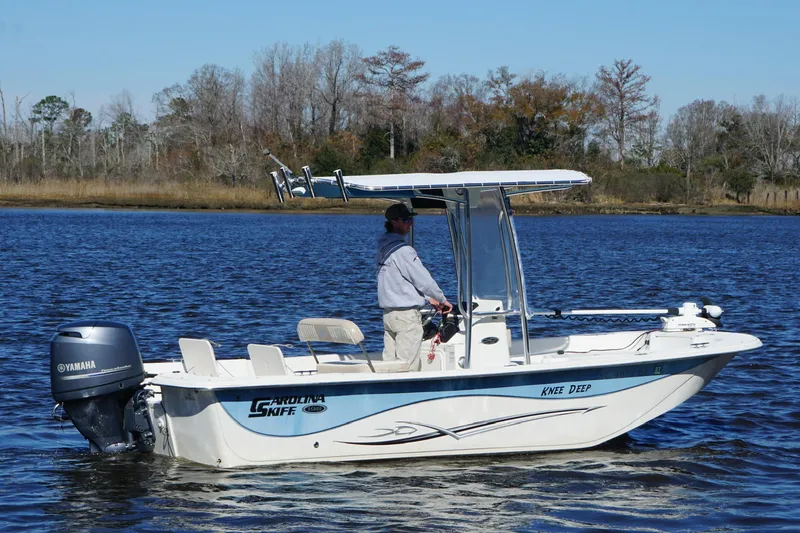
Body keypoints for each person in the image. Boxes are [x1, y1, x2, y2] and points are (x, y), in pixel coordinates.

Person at [376, 203, 452, 371]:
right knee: (407, 367)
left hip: (389, 316)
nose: (410, 223)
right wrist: (441, 299)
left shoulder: (383, 247)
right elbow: (423, 280)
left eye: (410, 219)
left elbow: (399, 281)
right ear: (394, 222)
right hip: (406, 318)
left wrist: (428, 298)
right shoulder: (403, 250)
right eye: (406, 219)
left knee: (389, 365)